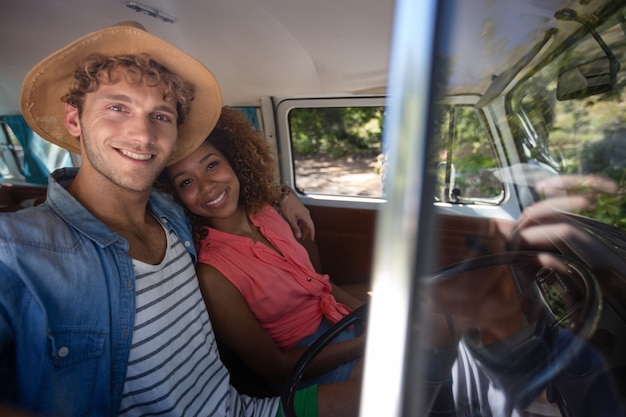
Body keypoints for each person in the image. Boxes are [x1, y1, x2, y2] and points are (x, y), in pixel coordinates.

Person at [0, 21, 360, 417]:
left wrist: (284, 196)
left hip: (247, 409)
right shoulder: (17, 250)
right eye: (117, 107)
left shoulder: (174, 217)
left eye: (161, 116)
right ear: (74, 120)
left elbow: (229, 196)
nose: (142, 134)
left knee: (399, 389)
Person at [161, 106, 366, 392]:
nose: (206, 186)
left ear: (233, 161)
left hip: (340, 323)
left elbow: (322, 286)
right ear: (174, 196)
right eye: (186, 182)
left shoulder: (266, 211)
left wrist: (369, 316)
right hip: (310, 366)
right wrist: (364, 345)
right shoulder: (212, 273)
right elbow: (277, 367)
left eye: (211, 165)